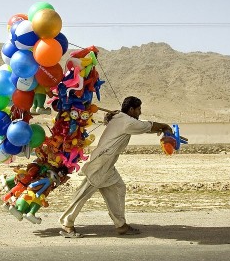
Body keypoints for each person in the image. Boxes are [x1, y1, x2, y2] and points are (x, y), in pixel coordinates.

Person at [59, 96, 173, 238]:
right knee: (83, 193)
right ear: (131, 109)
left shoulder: (121, 118)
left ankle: (121, 225)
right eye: (138, 109)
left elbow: (143, 126)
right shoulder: (126, 121)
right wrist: (164, 126)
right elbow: (147, 126)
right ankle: (67, 224)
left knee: (118, 188)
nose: (140, 112)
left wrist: (160, 127)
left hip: (108, 163)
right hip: (102, 163)